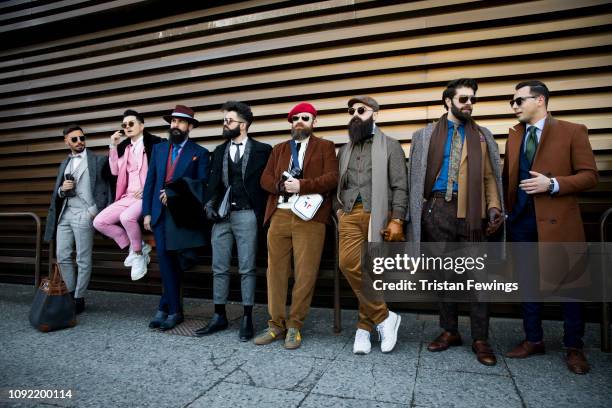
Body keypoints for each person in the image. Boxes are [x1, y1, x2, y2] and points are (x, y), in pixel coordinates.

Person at [503, 80, 598, 374]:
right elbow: (510, 176)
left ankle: (574, 347)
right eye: (513, 102)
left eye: (519, 100)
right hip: (521, 221)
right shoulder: (515, 135)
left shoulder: (572, 131)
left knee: (570, 286)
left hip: (558, 223)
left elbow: (590, 176)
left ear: (540, 100)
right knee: (529, 284)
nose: (515, 106)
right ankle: (533, 339)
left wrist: (553, 184)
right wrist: (506, 213)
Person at [407, 78, 504, 366]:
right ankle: (450, 331)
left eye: (472, 99)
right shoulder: (423, 135)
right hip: (437, 210)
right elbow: (415, 177)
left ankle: (480, 338)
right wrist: (419, 212)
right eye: (463, 99)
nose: (469, 104)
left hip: (473, 214)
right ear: (448, 101)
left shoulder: (483, 135)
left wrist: (495, 207)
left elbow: (489, 177)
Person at [256, 102, 338, 349]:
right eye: (295, 119)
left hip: (310, 218)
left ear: (314, 122)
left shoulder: (325, 146)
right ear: (290, 123)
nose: (299, 122)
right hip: (279, 215)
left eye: (305, 118)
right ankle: (275, 325)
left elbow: (332, 178)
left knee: (305, 273)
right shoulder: (279, 149)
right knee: (276, 273)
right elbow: (265, 179)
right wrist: (283, 186)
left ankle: (294, 326)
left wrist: (302, 185)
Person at [195, 101, 271, 341]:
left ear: (244, 124)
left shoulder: (263, 150)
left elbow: (266, 186)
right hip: (222, 217)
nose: (225, 124)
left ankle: (248, 317)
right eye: (224, 120)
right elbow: (212, 184)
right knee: (219, 267)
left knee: (247, 267)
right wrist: (210, 207)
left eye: (229, 120)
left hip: (248, 214)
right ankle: (219, 315)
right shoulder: (218, 151)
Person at [336, 96, 407, 354]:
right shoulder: (344, 150)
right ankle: (385, 317)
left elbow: (400, 185)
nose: (355, 114)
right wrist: (339, 211)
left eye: (361, 110)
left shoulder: (390, 146)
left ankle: (363, 329)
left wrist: (397, 219)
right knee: (348, 263)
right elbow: (339, 186)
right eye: (352, 111)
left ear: (375, 114)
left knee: (373, 272)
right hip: (350, 214)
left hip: (379, 215)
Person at [142, 105, 209, 331]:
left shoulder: (199, 152)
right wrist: (147, 212)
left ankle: (167, 308)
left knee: (177, 263)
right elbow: (150, 182)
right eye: (172, 122)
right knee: (165, 262)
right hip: (160, 216)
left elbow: (201, 186)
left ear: (190, 126)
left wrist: (172, 194)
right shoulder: (159, 150)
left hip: (183, 218)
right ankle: (172, 310)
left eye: (180, 122)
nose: (175, 126)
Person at [43, 124, 111, 314]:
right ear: (66, 142)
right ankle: (70, 292)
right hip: (65, 213)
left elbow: (108, 182)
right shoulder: (64, 163)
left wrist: (94, 211)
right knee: (63, 255)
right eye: (74, 139)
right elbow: (58, 192)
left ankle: (79, 298)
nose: (80, 142)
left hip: (85, 213)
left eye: (82, 138)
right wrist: (61, 190)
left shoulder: (97, 161)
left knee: (83, 258)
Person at [93, 109, 162, 280]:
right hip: (127, 196)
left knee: (126, 217)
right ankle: (137, 246)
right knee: (99, 221)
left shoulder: (155, 145)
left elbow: (160, 172)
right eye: (124, 125)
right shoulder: (124, 148)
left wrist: (147, 189)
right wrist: (113, 146)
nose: (127, 127)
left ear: (141, 125)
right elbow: (114, 171)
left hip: (145, 195)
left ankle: (138, 254)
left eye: (131, 123)